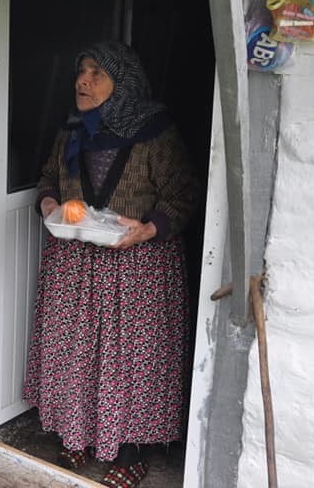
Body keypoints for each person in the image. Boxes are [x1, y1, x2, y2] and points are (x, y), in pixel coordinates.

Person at [23, 41, 199, 488]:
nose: (82, 81)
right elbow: (48, 177)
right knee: (77, 352)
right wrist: (49, 203)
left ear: (123, 83)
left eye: (96, 73)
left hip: (137, 266)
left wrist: (148, 228)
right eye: (81, 71)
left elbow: (184, 196)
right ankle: (79, 435)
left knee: (129, 360)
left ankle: (132, 449)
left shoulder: (155, 132)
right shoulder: (72, 128)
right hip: (74, 262)